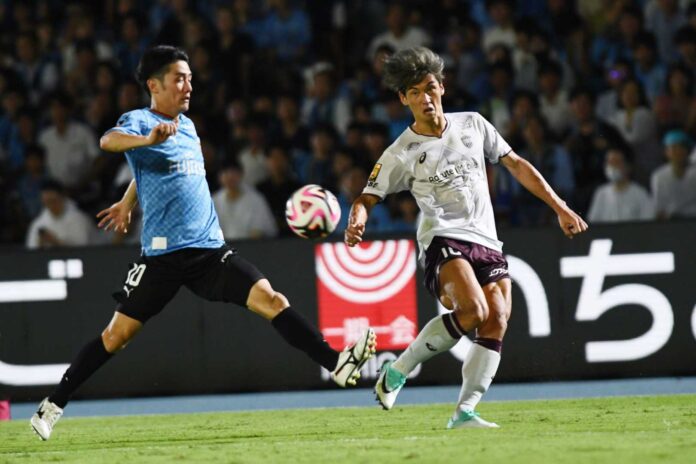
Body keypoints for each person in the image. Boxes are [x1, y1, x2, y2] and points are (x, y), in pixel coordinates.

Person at [30, 46, 376, 441]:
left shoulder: (188, 126)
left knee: (272, 300)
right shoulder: (140, 121)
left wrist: (128, 200)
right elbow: (109, 142)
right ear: (153, 85)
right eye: (179, 78)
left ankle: (337, 364)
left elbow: (159, 170)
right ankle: (53, 404)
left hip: (210, 252)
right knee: (116, 337)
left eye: (190, 78)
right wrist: (146, 141)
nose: (188, 85)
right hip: (161, 258)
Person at [345, 47, 587, 429]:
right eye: (414, 92)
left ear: (441, 87)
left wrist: (560, 207)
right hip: (444, 238)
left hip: (486, 240)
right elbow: (367, 196)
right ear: (403, 99)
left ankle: (465, 411)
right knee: (474, 311)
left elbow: (517, 165)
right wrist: (356, 217)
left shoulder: (473, 124)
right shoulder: (401, 152)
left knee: (498, 318)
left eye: (429, 88)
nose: (424, 98)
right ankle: (397, 372)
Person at [587, 147, 655, 223]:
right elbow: (593, 222)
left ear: (628, 166)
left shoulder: (640, 194)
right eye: (609, 162)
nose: (612, 167)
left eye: (616, 162)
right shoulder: (601, 193)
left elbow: (647, 224)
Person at [25, 179, 94, 249]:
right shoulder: (38, 223)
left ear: (62, 196)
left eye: (53, 201)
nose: (51, 205)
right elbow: (31, 251)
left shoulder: (79, 219)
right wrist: (40, 244)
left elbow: (84, 248)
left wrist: (56, 242)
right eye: (47, 201)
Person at [650, 129, 696, 219]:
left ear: (687, 151)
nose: (677, 152)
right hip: (670, 223)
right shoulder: (659, 176)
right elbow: (659, 207)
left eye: (680, 148)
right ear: (666, 152)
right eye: (673, 149)